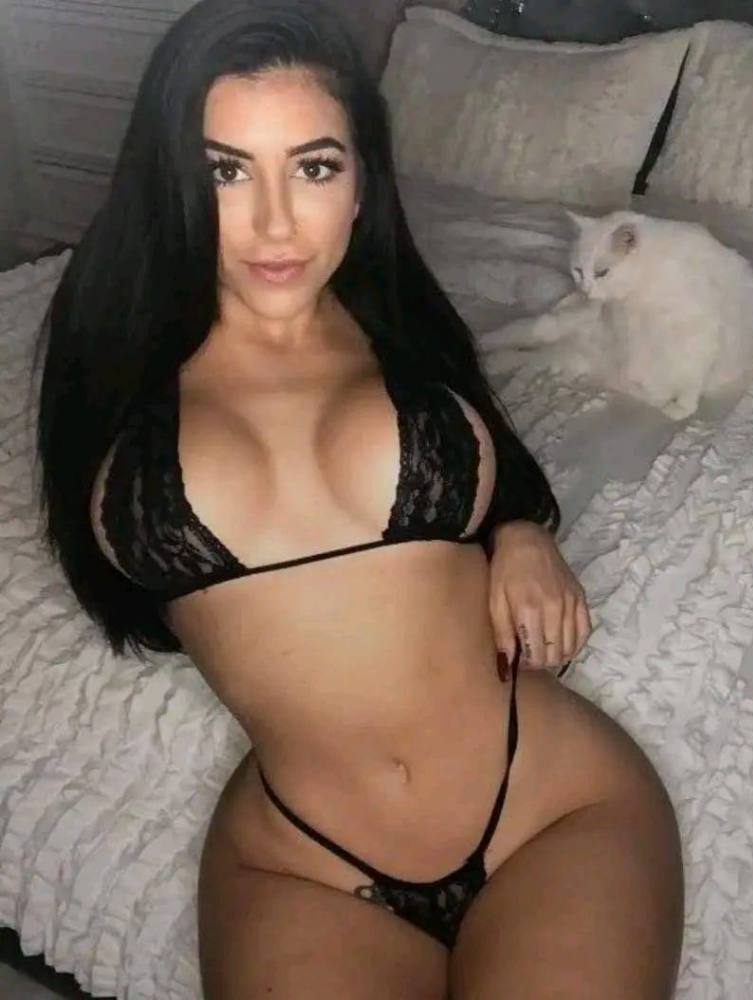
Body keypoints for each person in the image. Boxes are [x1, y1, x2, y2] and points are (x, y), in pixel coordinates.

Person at [35, 0, 683, 995]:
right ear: (172, 181)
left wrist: (521, 532)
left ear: (361, 180)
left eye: (313, 167)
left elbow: (494, 464)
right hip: (302, 863)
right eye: (226, 171)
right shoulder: (109, 351)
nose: (275, 223)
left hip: (550, 804)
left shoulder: (398, 318)